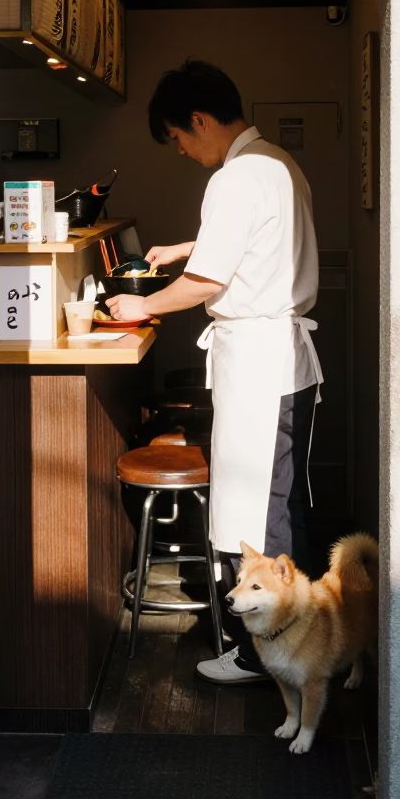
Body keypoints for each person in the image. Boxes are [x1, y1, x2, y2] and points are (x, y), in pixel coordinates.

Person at [106, 60, 323, 683]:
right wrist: (183, 248)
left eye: (178, 136)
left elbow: (209, 280)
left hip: (260, 363)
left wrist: (143, 302)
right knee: (284, 503)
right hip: (286, 362)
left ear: (199, 119)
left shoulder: (234, 180)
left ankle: (264, 656)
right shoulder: (279, 164)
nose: (180, 149)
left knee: (258, 511)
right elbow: (254, 247)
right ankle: (295, 644)